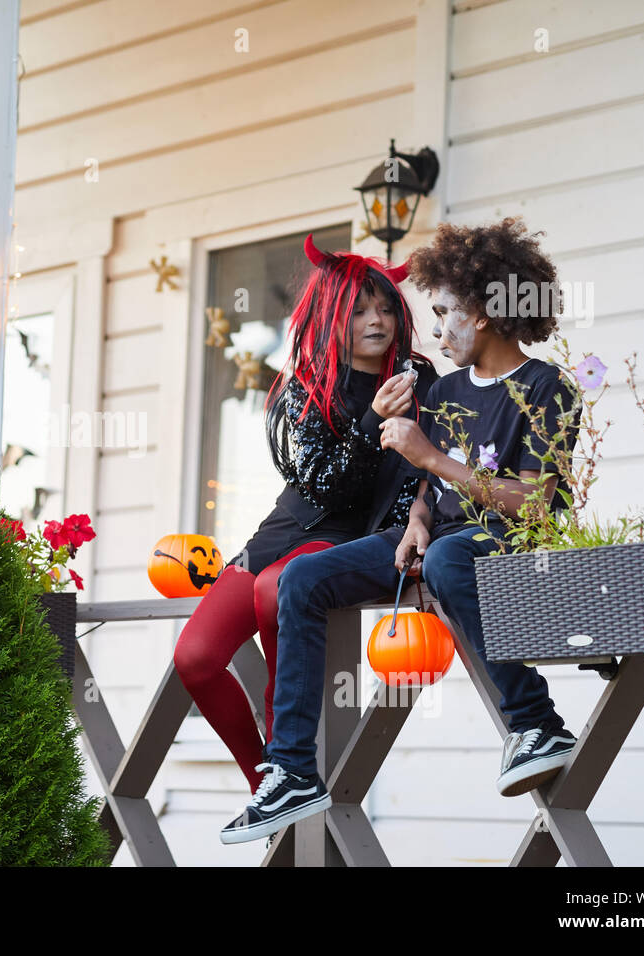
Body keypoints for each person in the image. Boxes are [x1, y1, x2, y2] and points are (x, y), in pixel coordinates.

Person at [221, 217, 580, 844]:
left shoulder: (546, 387)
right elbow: (425, 489)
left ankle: (537, 721)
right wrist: (416, 518)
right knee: (302, 577)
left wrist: (431, 460)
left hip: (505, 541)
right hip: (436, 538)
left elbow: (535, 505)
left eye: (444, 314)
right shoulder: (442, 392)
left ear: (484, 313)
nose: (435, 331)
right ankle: (293, 769)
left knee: (447, 559)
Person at [174, 235, 437, 793]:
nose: (377, 320)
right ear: (331, 315)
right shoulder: (306, 388)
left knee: (278, 591)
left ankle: (287, 766)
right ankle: (260, 780)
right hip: (283, 530)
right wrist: (370, 422)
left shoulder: (422, 383)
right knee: (194, 658)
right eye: (361, 309)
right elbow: (324, 482)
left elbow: (421, 474)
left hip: (345, 539)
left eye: (387, 308)